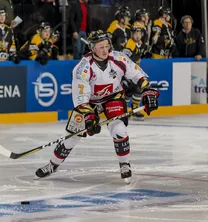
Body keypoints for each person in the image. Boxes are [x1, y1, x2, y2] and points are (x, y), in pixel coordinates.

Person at [35, 30, 159, 184]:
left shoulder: (119, 58)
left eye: (107, 46)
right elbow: (81, 98)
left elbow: (137, 75)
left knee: (118, 129)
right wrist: (89, 117)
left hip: (113, 98)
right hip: (89, 104)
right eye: (101, 47)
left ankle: (124, 164)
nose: (105, 50)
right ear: (92, 48)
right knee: (72, 136)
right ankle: (52, 165)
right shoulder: (83, 68)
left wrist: (148, 90)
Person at [122, 26, 147, 121]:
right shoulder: (130, 44)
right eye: (135, 33)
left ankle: (129, 110)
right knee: (134, 89)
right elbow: (123, 59)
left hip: (133, 71)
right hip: (128, 71)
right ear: (132, 34)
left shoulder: (139, 43)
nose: (138, 36)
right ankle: (132, 110)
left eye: (139, 34)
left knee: (132, 90)